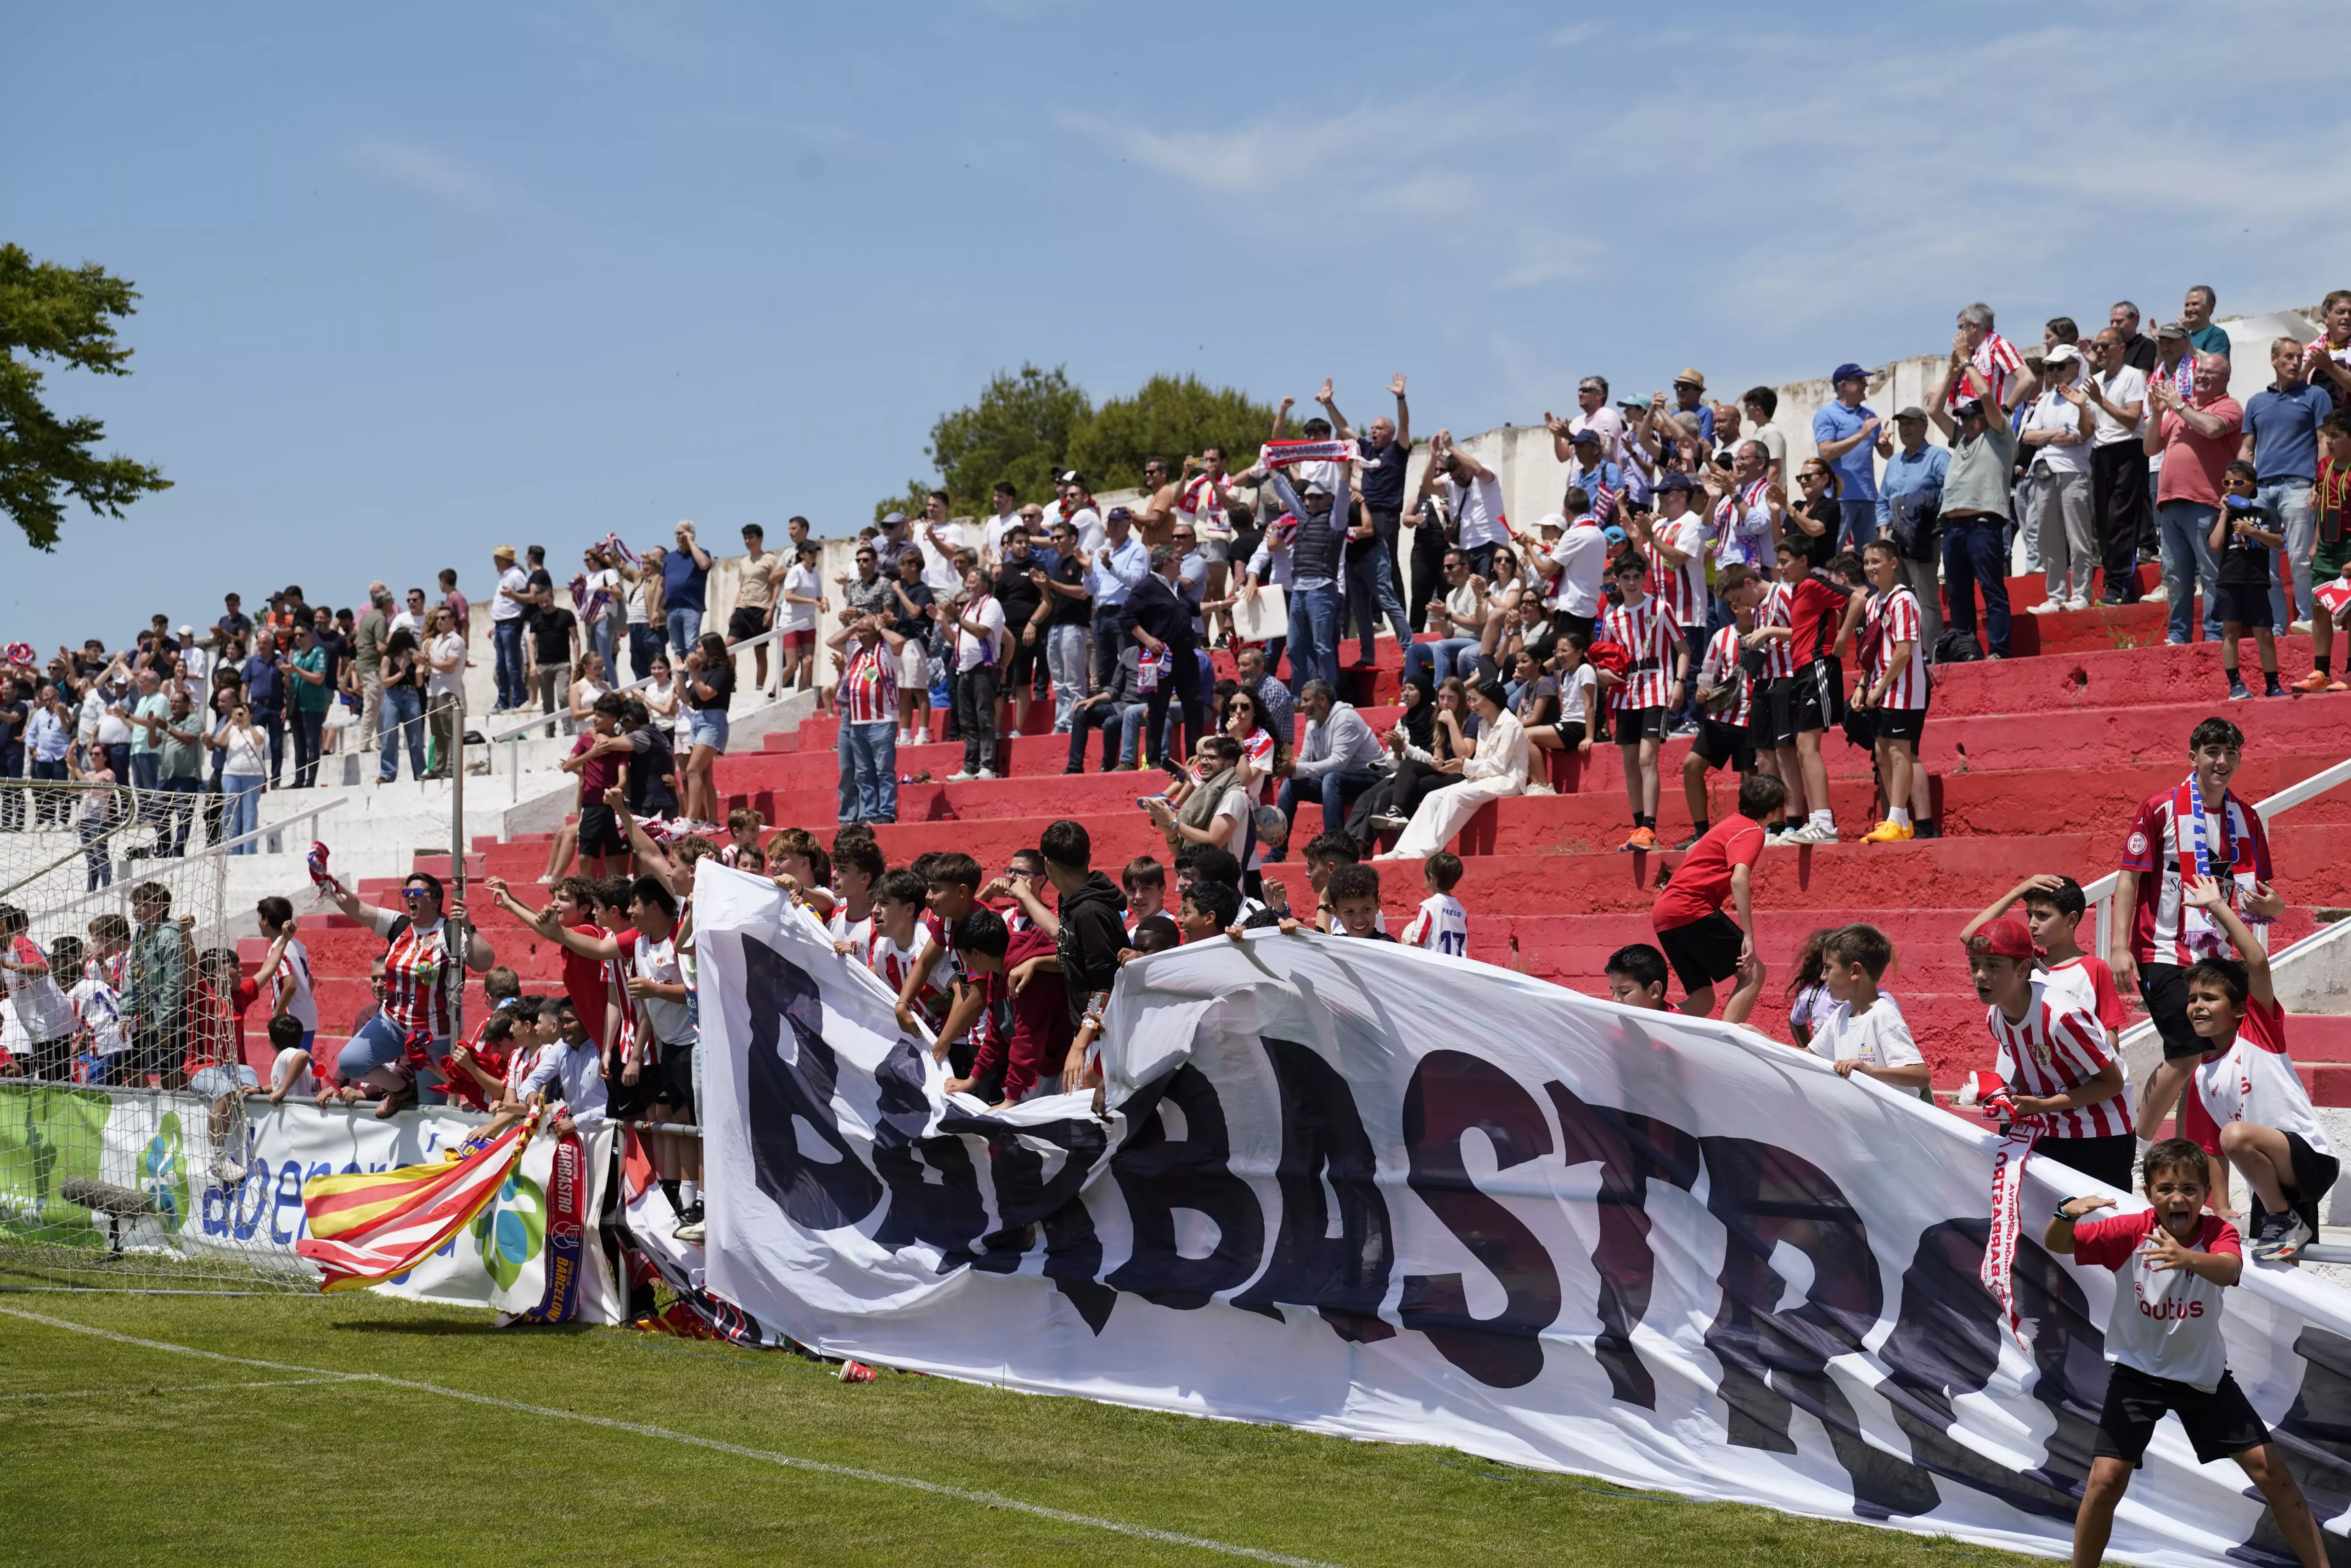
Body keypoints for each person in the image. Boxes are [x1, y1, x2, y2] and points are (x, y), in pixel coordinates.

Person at [2047, 1138, 2331, 1568]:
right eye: (2165, 1188)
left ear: (2205, 1194)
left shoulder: (2218, 1232)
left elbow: (2230, 1268)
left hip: (2203, 1379)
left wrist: (2186, 1258)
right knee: (2105, 1481)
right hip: (2137, 1375)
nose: (2178, 1198)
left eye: (2189, 1189)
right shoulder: (2130, 1230)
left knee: (2273, 1475)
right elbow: (2059, 1243)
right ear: (2149, 1193)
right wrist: (2066, 1214)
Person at [2115, 716, 2281, 1139]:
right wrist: (2119, 947)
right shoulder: (2160, 808)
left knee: (2208, 1059)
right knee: (2187, 1052)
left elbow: (2267, 895)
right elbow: (2129, 877)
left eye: (2231, 753)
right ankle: (2136, 1150)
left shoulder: (2247, 818)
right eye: (2212, 752)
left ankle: (2187, 1155)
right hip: (2161, 949)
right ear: (2194, 757)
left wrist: (2273, 906)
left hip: (2216, 956)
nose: (2222, 761)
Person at [2176, 874, 2338, 1260]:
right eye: (2193, 999)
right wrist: (2220, 1206)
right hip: (2269, 1187)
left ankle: (2283, 1218)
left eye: (2210, 998)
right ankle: (2286, 1223)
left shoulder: (2257, 1033)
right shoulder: (2202, 1077)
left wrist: (2217, 906)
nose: (2198, 1006)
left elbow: (2257, 961)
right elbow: (2211, 1149)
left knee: (2235, 1135)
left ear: (2239, 1010)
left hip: (2310, 1158)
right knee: (2281, 1272)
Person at [1966, 916, 2134, 1189]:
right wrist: (2007, 1096)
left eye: (1993, 966)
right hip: (2049, 1126)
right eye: (1974, 965)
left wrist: (2043, 1105)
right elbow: (2030, 1064)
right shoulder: (1995, 1017)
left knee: (2100, 1217)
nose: (1980, 976)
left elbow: (2113, 1084)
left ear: (2023, 969)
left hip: (2100, 1133)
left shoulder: (2062, 1017)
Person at [320, 870, 497, 1114]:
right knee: (351, 1062)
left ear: (435, 900)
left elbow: (485, 962)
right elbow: (358, 908)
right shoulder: (398, 925)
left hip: (433, 1034)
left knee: (429, 1109)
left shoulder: (450, 933)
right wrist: (329, 885)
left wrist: (469, 927)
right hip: (392, 1023)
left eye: (417, 892)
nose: (410, 896)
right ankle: (402, 1090)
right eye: (407, 892)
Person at [1650, 773, 1781, 1017]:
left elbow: (1691, 850)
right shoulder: (1753, 831)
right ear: (1775, 812)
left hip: (1665, 912)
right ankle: (1727, 1041)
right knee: (1753, 974)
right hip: (1691, 908)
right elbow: (1739, 878)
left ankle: (1648, 1024)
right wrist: (1748, 935)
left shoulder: (1731, 822)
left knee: (1702, 1000)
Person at [1931, 345, 2022, 660]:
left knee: (1991, 588)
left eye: (1972, 416)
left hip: (1983, 525)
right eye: (1963, 416)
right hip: (1953, 527)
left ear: (1985, 415)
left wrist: (1967, 362)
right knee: (1957, 594)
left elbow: (1985, 394)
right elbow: (1933, 410)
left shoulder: (1999, 437)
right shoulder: (1961, 439)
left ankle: (1999, 650)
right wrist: (1952, 371)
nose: (1966, 421)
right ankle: (1965, 651)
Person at [2147, 352, 2244, 646]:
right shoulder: (2181, 408)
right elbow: (2149, 448)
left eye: (2210, 373)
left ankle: (2214, 636)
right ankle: (2178, 636)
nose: (2201, 376)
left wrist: (2178, 405)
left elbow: (2212, 429)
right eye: (2200, 371)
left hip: (2207, 504)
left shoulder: (2229, 406)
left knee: (2212, 574)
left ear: (2226, 379)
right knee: (2175, 577)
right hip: (2170, 504)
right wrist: (2157, 413)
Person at [2242, 336, 2334, 639]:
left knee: (2300, 558)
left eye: (2299, 357)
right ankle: (2277, 626)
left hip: (2299, 485)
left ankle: (2308, 620)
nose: (2296, 363)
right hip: (2261, 490)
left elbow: (2324, 442)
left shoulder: (2316, 395)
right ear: (2274, 360)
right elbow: (2247, 450)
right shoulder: (2256, 402)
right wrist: (2236, 488)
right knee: (2264, 564)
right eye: (2289, 357)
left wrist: (2320, 482)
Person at [1596, 553, 1686, 852]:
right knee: (1631, 763)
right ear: (1617, 581)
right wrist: (1601, 672)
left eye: (1637, 576)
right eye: (1626, 577)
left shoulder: (1659, 608)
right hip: (1625, 694)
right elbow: (1604, 658)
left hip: (1656, 691)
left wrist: (1679, 683)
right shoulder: (1612, 618)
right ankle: (1639, 829)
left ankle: (1649, 828)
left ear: (1645, 577)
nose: (1632, 583)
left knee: (1647, 758)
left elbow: (1683, 650)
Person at [1854, 540, 1933, 842]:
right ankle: (1897, 821)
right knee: (1881, 752)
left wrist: (1880, 687)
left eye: (1876, 561)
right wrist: (1864, 685)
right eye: (1867, 562)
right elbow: (1872, 650)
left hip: (1904, 688)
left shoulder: (1904, 599)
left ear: (1894, 563)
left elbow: (1904, 651)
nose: (1870, 568)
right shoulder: (1872, 602)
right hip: (1880, 687)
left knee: (1900, 752)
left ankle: (1899, 819)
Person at [1679, 564, 1762, 847]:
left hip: (1752, 718)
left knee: (1749, 779)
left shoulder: (1766, 633)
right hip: (1722, 717)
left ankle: (1746, 834)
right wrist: (1703, 691)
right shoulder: (1721, 637)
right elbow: (1707, 673)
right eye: (1738, 603)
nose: (1746, 607)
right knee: (1691, 766)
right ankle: (1701, 832)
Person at [1798, 922, 1928, 1093]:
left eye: (1828, 968)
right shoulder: (1841, 1014)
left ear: (1855, 971)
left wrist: (1871, 1072)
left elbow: (1921, 1075)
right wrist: (1764, 1042)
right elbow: (1808, 1055)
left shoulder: (1883, 1015)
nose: (1822, 976)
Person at [2021, 343, 2096, 610]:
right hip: (2045, 471)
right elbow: (2027, 437)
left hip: (2072, 470)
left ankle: (2081, 594)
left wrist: (2047, 436)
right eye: (2050, 367)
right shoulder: (2046, 399)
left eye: (2059, 366)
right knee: (2047, 537)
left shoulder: (2084, 395)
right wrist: (2057, 434)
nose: (2054, 371)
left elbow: (2078, 437)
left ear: (2076, 366)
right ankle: (2056, 596)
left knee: (2078, 536)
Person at [2081, 327, 2152, 606]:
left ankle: (2120, 586)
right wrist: (2082, 406)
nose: (2099, 351)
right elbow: (2088, 430)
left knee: (2121, 519)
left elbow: (2133, 419)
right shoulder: (2095, 381)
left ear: (2121, 348)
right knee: (2103, 522)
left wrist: (2100, 400)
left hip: (2128, 451)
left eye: (2105, 346)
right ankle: (2113, 583)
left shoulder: (2132, 376)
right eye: (2096, 346)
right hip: (2101, 453)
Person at [2209, 461, 2287, 700]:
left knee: (2265, 634)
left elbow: (2278, 542)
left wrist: (2251, 531)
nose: (2231, 487)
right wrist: (2224, 513)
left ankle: (2273, 685)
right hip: (2230, 580)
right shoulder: (2222, 516)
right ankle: (2236, 685)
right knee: (2230, 631)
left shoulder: (2264, 515)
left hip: (2257, 581)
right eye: (2227, 482)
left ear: (2251, 486)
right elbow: (2215, 544)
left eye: (2238, 482)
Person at [1278, 678, 1384, 846]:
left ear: (1322, 700)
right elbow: (1304, 761)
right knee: (1289, 785)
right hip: (1339, 783)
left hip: (1373, 781)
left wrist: (1295, 768)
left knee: (1331, 778)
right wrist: (1288, 770)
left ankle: (1334, 846)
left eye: (1306, 700)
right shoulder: (1312, 724)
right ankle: (1278, 851)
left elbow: (1338, 764)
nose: (1301, 705)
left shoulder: (1345, 718)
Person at [830, 612, 903, 825]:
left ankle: (886, 813)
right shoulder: (857, 652)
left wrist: (879, 628)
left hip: (882, 721)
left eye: (864, 632)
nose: (860, 635)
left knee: (884, 771)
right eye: (859, 632)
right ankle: (869, 813)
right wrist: (856, 626)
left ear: (876, 632)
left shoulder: (886, 650)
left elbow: (900, 641)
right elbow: (832, 641)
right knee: (863, 773)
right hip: (858, 722)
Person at [2297, 412, 2351, 691]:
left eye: (2336, 436)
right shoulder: (2324, 467)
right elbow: (2323, 509)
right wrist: (2316, 543)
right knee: (2319, 605)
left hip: (2349, 545)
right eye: (2328, 435)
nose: (2329, 441)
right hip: (2327, 545)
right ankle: (2321, 672)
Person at [1811, 363, 1889, 549]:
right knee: (1832, 552)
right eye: (1861, 381)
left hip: (1868, 496)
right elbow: (1826, 452)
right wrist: (1861, 436)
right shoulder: (1827, 415)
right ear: (1844, 385)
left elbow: (1887, 454)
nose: (1866, 385)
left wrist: (1885, 442)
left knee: (1870, 555)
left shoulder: (1870, 415)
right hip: (1839, 498)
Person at [0, 905, 79, 1082]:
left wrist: (7, 966)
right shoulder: (4, 952)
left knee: (56, 1082)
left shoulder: (20, 942)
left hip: (53, 1023)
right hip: (38, 1028)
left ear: (2, 925)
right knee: (49, 1082)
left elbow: (42, 968)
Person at [1408, 551, 1488, 686]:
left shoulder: (1474, 589)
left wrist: (1448, 615)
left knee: (1441, 646)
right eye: (1444, 567)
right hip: (1459, 643)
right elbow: (1448, 634)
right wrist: (1443, 620)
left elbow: (1477, 626)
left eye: (1450, 567)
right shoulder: (1451, 595)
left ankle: (1439, 691)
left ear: (1466, 568)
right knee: (1415, 650)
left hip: (1477, 641)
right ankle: (1409, 692)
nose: (1446, 571)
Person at [728, 523, 783, 689]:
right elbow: (742, 587)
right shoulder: (744, 562)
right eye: (745, 538)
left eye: (751, 537)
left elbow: (777, 585)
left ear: (760, 539)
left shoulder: (770, 559)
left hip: (761, 609)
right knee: (728, 647)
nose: (748, 541)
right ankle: (731, 684)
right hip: (742, 608)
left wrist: (771, 610)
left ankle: (759, 688)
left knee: (760, 651)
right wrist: (734, 610)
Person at [208, 702, 268, 851]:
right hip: (231, 775)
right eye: (238, 714)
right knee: (230, 815)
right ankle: (230, 851)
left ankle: (249, 851)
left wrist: (248, 724)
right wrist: (231, 721)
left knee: (250, 814)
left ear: (251, 715)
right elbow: (220, 740)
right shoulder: (232, 730)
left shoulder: (259, 729)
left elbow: (259, 742)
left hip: (253, 776)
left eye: (243, 713)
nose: (240, 717)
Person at [376, 624, 428, 781]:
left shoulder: (415, 658)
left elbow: (419, 684)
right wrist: (401, 673)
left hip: (411, 695)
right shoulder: (388, 658)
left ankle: (420, 772)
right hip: (392, 696)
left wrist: (419, 669)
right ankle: (387, 774)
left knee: (416, 737)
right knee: (390, 735)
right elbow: (385, 682)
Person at [423, 606, 466, 777]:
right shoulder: (436, 641)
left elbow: (450, 666)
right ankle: (439, 768)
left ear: (452, 621)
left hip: (449, 691)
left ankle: (452, 768)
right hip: (433, 691)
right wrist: (423, 663)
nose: (439, 621)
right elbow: (430, 667)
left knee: (451, 732)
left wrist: (428, 662)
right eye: (437, 618)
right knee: (437, 733)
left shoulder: (456, 641)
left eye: (443, 618)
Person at [489, 545, 531, 713]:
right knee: (501, 666)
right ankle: (503, 701)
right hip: (501, 626)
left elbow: (526, 600)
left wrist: (513, 596)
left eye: (496, 558)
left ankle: (519, 699)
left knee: (512, 664)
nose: (494, 562)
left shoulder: (516, 576)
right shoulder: (505, 577)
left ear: (503, 560)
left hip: (511, 624)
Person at [662, 520, 712, 659]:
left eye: (682, 534)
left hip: (692, 608)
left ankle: (693, 673)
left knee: (692, 645)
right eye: (677, 534)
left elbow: (704, 565)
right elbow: (661, 584)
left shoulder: (702, 553)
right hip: (672, 609)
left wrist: (690, 542)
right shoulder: (670, 558)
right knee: (677, 648)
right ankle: (682, 673)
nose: (679, 537)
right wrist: (655, 609)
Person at [1399, 851, 1466, 955]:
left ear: (1431, 878)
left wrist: (1402, 950)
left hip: (1434, 964)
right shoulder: (1462, 912)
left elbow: (1418, 941)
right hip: (1456, 964)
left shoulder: (1428, 907)